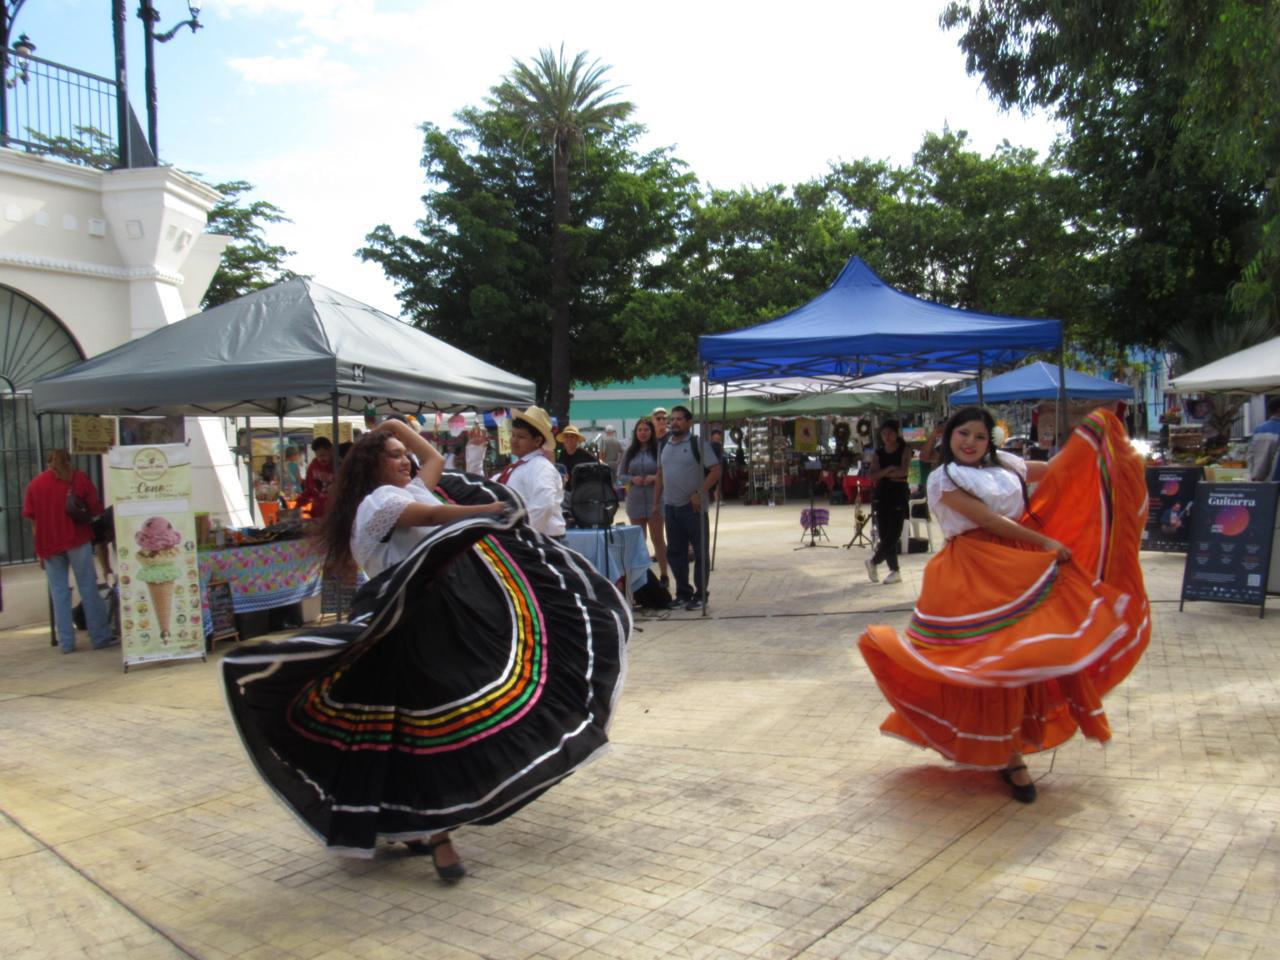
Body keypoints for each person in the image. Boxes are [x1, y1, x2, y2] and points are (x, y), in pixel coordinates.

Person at [219, 418, 630, 877]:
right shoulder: (378, 503)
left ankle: (414, 825)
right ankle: (439, 837)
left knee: (413, 729)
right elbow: (431, 517)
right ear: (373, 467)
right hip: (401, 625)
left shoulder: (412, 488)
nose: (405, 460)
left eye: (402, 453)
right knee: (430, 724)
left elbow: (432, 461)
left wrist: (394, 425)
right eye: (393, 454)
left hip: (434, 618)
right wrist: (484, 511)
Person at [858, 406, 1149, 803]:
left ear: (990, 440)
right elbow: (989, 521)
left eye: (979, 436)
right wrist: (1046, 542)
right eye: (963, 434)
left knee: (1025, 657)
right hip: (972, 571)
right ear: (949, 437)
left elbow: (1057, 470)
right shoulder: (944, 478)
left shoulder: (1007, 463)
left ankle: (1009, 748)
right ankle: (1009, 757)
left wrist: (1096, 442)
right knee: (994, 662)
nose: (970, 443)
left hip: (1018, 565)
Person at [22, 449, 114, 654]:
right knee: (88, 588)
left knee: (59, 593)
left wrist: (39, 550)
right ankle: (99, 637)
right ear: (69, 461)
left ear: (48, 463)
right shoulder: (79, 479)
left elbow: (33, 521)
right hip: (77, 539)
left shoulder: (35, 484)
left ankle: (66, 643)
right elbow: (96, 508)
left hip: (49, 544)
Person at [655, 405, 721, 610]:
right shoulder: (664, 443)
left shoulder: (697, 443)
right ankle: (683, 593)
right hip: (671, 508)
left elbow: (716, 470)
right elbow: (660, 474)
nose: (674, 422)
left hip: (693, 509)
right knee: (675, 554)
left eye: (679, 419)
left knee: (700, 553)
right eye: (672, 419)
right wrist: (656, 502)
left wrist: (700, 492)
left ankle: (701, 595)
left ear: (689, 423)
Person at [493, 406, 565, 538]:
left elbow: (544, 505)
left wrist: (522, 534)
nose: (513, 440)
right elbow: (487, 488)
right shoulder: (516, 468)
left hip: (540, 539)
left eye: (521, 436)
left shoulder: (541, 467)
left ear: (537, 441)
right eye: (513, 434)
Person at [617, 417, 667, 587]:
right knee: (639, 540)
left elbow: (666, 471)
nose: (643, 433)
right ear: (635, 432)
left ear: (651, 432)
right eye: (640, 430)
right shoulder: (629, 452)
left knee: (658, 539)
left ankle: (664, 574)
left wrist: (655, 477)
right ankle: (643, 579)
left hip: (655, 499)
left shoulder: (659, 450)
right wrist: (632, 479)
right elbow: (620, 474)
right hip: (635, 500)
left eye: (646, 430)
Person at [864, 420, 912, 585]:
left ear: (896, 433)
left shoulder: (905, 450)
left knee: (895, 533)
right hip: (882, 494)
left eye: (890, 433)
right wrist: (889, 470)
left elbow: (904, 471)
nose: (887, 437)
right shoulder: (879, 453)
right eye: (884, 434)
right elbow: (871, 476)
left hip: (898, 493)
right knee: (885, 533)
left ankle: (874, 561)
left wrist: (883, 473)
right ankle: (894, 571)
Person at [297, 436, 335, 519]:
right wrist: (297, 505)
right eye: (318, 456)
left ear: (331, 451)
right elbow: (309, 490)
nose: (320, 459)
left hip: (334, 514)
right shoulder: (314, 465)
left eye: (323, 455)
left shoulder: (338, 466)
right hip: (317, 513)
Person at [1247, 397, 1280, 481]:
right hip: (1275, 481)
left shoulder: (1258, 429)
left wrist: (1253, 476)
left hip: (1259, 480)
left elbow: (1250, 455)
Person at [556, 425, 597, 491]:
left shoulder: (585, 455)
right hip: (565, 492)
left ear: (577, 440)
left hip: (581, 492)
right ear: (563, 440)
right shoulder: (562, 454)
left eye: (572, 436)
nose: (569, 439)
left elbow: (597, 469)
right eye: (566, 436)